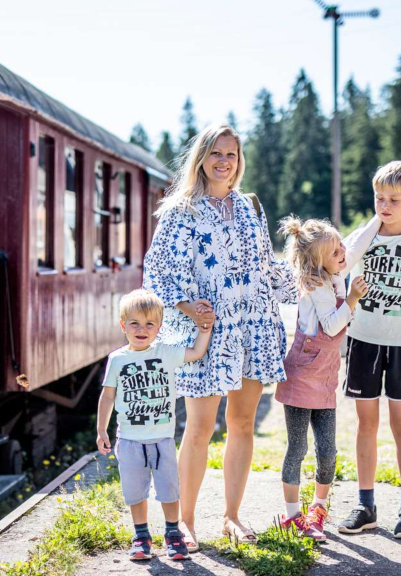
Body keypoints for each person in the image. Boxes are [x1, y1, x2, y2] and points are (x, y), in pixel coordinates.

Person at [143, 124, 299, 547]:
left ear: (238, 160)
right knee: (198, 429)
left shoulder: (250, 206)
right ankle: (185, 522)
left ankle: (231, 516)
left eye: (231, 154)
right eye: (216, 153)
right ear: (201, 159)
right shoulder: (181, 211)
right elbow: (157, 271)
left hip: (252, 326)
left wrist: (311, 282)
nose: (224, 162)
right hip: (207, 334)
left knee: (243, 423)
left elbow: (266, 266)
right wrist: (186, 306)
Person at [337, 160, 401, 540]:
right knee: (366, 424)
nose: (384, 205)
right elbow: (338, 266)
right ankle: (366, 505)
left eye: (393, 199)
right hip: (363, 342)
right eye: (379, 198)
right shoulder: (363, 240)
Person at [274, 215, 378, 541]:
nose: (343, 253)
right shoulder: (315, 286)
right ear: (319, 262)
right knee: (297, 448)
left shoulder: (333, 274)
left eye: (340, 247)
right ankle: (292, 516)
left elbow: (358, 244)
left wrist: (380, 216)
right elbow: (332, 325)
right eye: (335, 252)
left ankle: (317, 511)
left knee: (328, 450)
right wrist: (352, 300)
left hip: (325, 378)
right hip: (302, 376)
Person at [96, 289, 214, 561]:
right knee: (135, 491)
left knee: (168, 488)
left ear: (159, 328)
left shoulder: (165, 353)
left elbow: (196, 351)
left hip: (162, 439)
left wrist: (204, 329)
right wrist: (102, 428)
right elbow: (108, 395)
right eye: (135, 323)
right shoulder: (118, 359)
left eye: (150, 324)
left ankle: (173, 534)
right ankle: (141, 536)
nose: (142, 329)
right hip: (129, 439)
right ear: (123, 325)